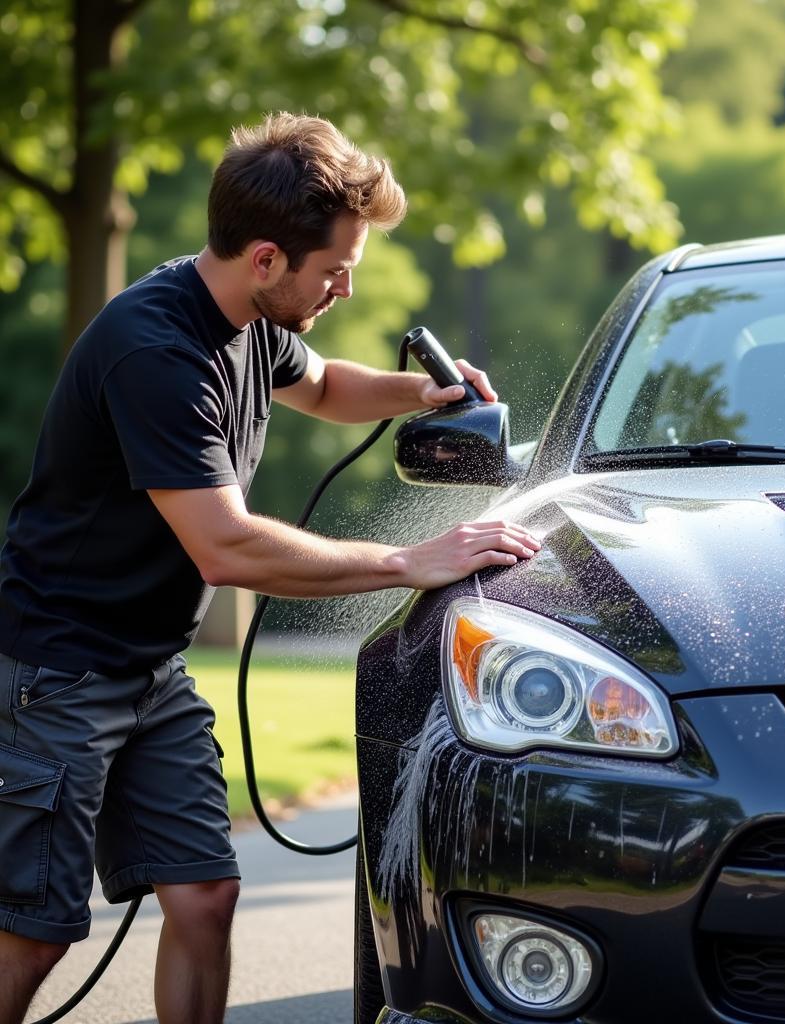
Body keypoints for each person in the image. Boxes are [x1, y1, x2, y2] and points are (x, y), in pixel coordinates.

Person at [0, 112, 541, 1024]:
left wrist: (422, 391)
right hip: (58, 669)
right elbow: (228, 545)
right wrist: (409, 560)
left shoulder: (250, 318)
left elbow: (324, 385)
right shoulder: (158, 353)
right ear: (264, 258)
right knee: (36, 928)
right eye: (334, 270)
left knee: (206, 896)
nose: (343, 287)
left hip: (147, 667)